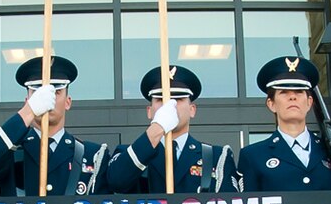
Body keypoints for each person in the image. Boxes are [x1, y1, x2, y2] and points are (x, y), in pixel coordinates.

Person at [0, 56, 108, 196]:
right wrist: (29, 111)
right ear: (28, 101)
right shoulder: (9, 151)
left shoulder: (91, 154)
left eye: (56, 92)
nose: (48, 99)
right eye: (38, 93)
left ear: (68, 102)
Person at [98, 64, 239, 193]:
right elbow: (116, 182)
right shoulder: (128, 152)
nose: (169, 106)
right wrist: (158, 127)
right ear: (149, 111)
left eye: (177, 99)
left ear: (192, 110)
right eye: (160, 100)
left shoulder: (215, 157)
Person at [237, 54, 331, 191]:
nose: (292, 97)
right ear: (271, 104)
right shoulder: (253, 156)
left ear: (309, 102)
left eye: (298, 92)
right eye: (284, 92)